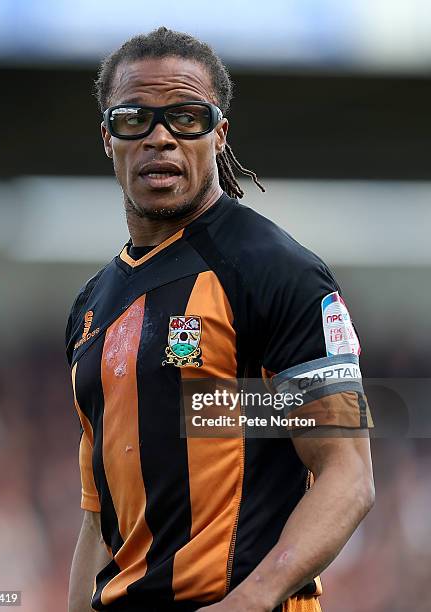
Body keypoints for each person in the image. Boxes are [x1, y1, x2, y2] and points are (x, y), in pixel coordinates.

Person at [66, 27, 374, 612]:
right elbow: (98, 522)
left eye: (187, 117)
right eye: (135, 118)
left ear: (219, 133)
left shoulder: (279, 273)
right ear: (109, 137)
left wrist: (251, 601)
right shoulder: (89, 308)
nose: (161, 138)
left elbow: (348, 474)